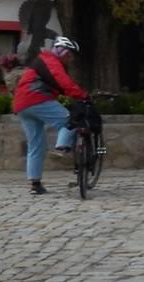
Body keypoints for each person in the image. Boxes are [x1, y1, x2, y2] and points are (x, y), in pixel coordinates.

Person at [13, 37, 88, 195]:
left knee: (36, 144)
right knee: (70, 120)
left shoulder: (42, 61)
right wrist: (83, 96)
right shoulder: (50, 60)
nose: (70, 58)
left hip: (22, 104)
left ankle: (35, 184)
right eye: (69, 54)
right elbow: (64, 83)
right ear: (62, 51)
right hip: (36, 98)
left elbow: (57, 85)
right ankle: (62, 147)